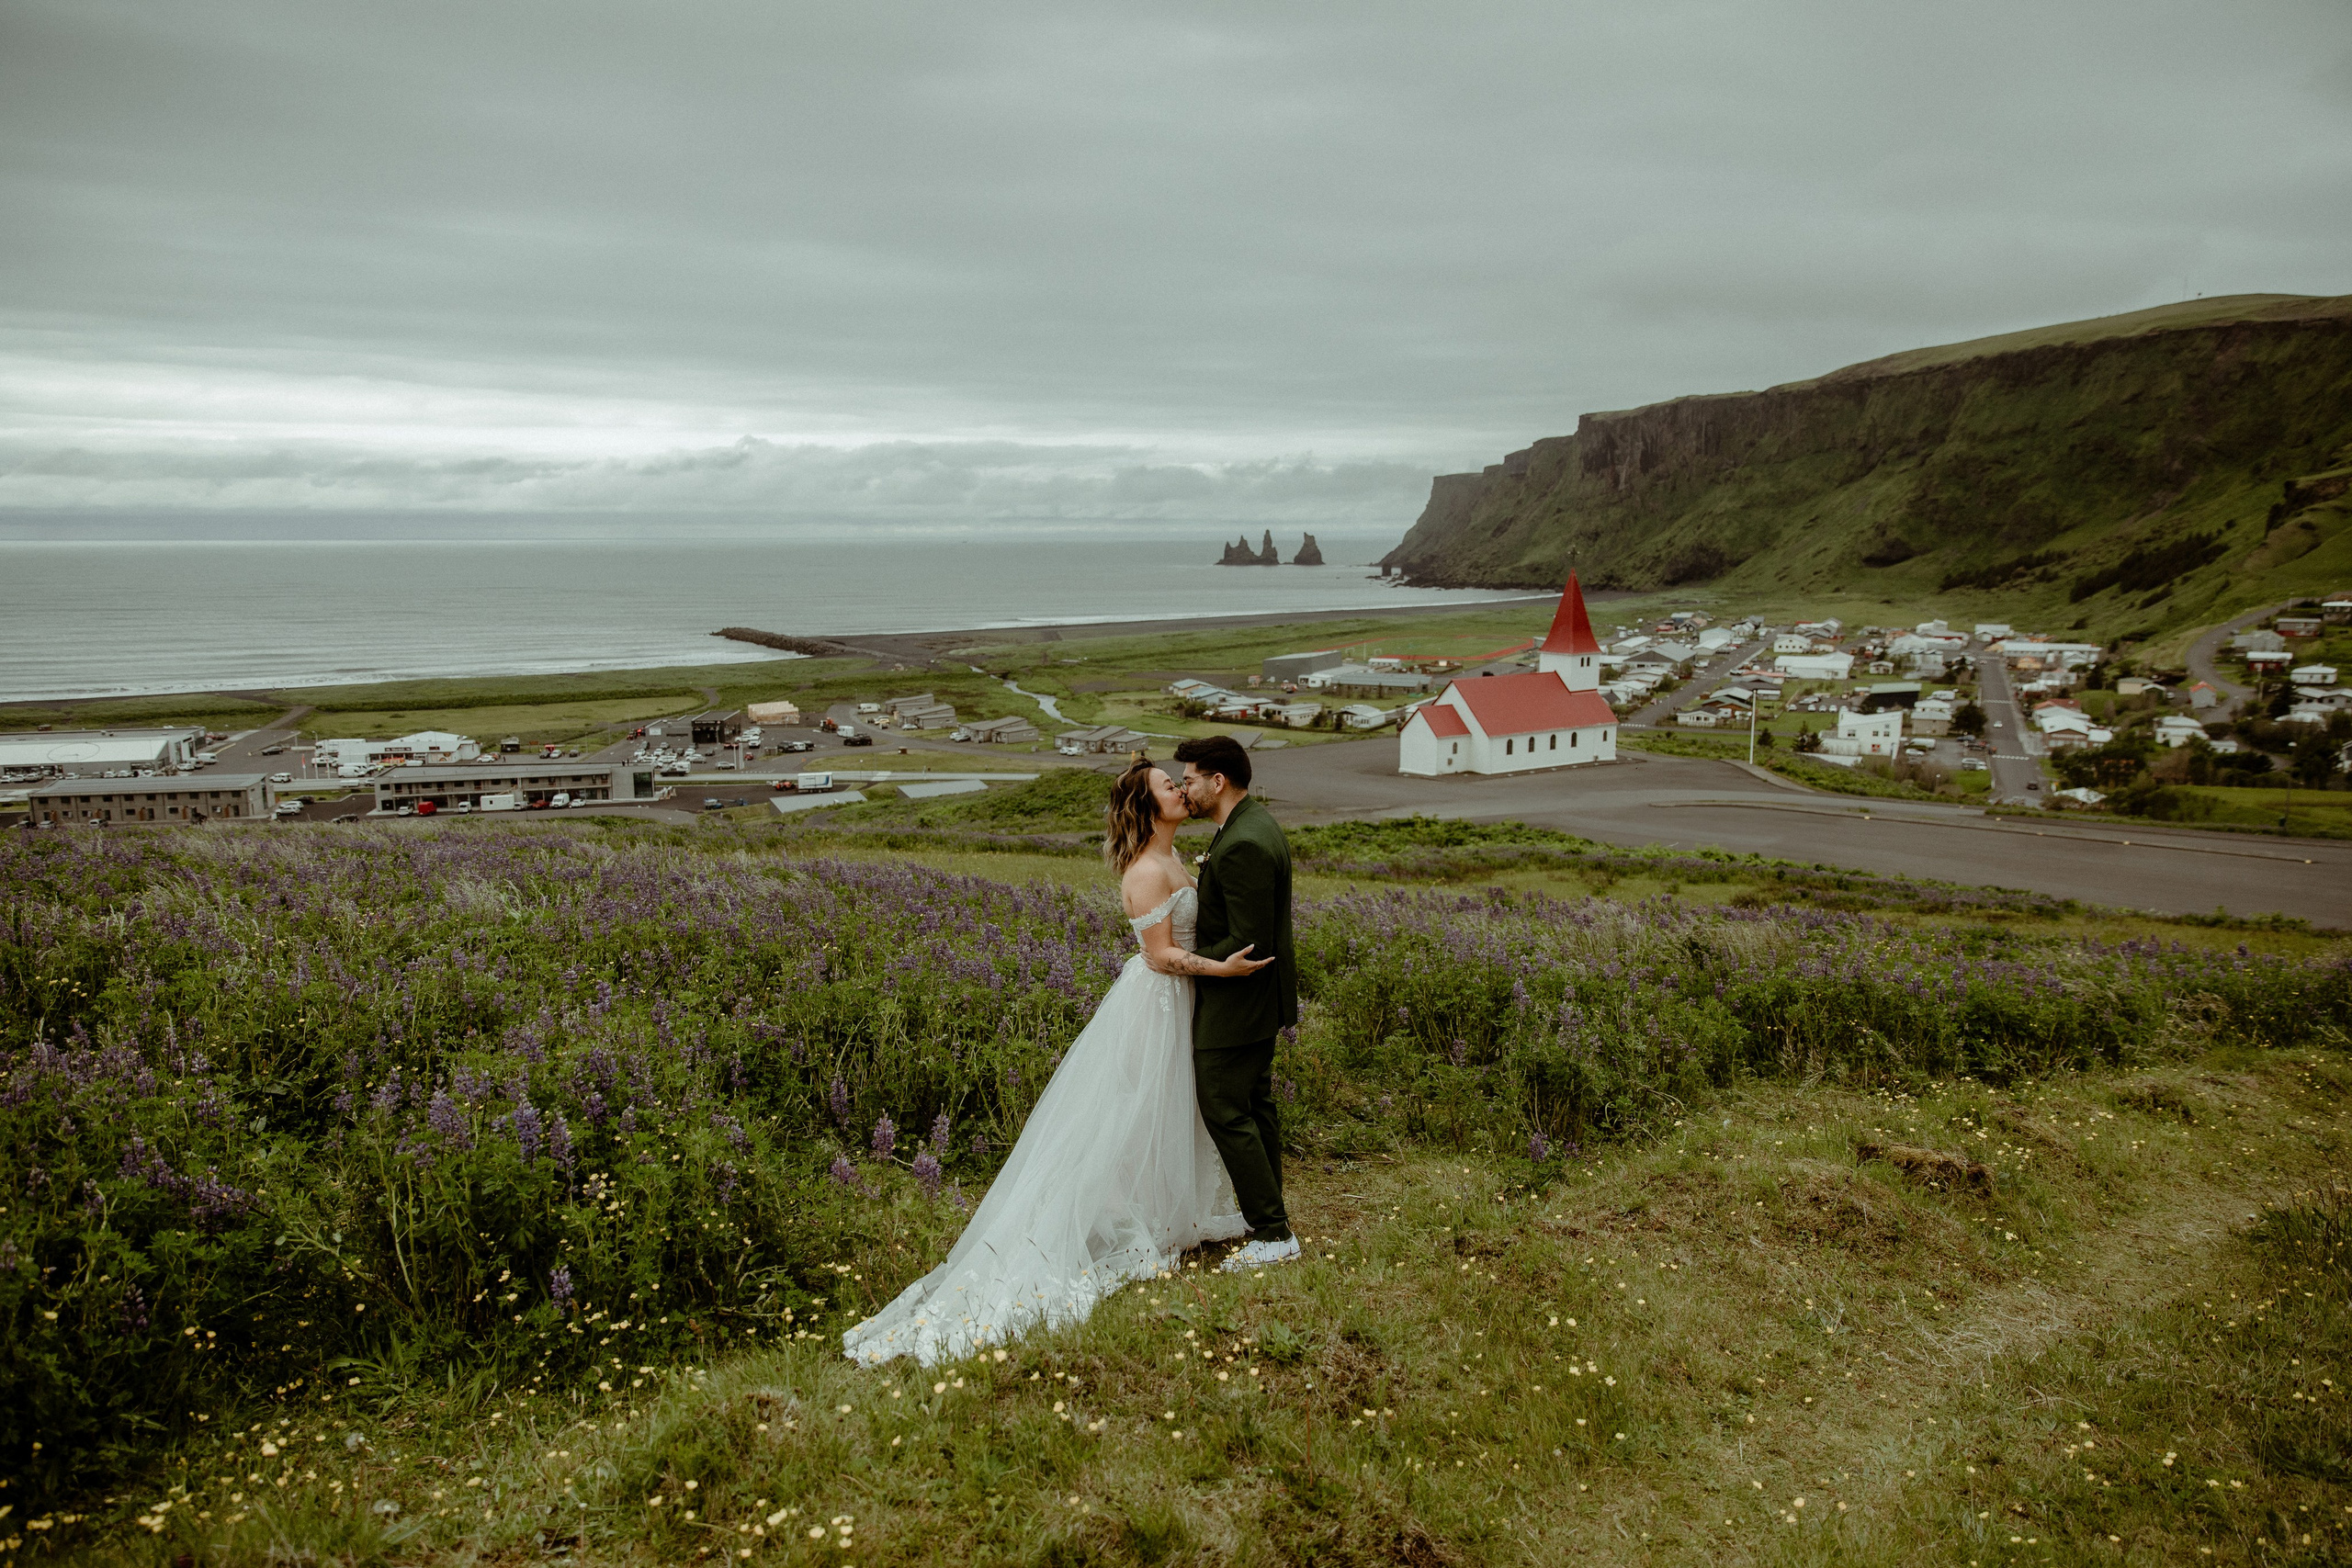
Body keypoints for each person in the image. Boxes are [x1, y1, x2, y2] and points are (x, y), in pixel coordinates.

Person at [841, 760, 1272, 1367]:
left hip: (1187, 1005)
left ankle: (1165, 1211)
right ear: (1145, 807)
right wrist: (1222, 969)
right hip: (1160, 1002)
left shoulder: (1175, 858)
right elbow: (1161, 958)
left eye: (1178, 782)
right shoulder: (1147, 870)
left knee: (1170, 1109)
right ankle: (1112, 1223)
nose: (1179, 788)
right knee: (1131, 1114)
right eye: (1166, 786)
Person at [1160, 735, 1299, 1272]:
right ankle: (1268, 1218)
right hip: (1259, 998)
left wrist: (1181, 956)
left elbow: (1250, 941)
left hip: (1239, 998)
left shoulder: (1242, 842)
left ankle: (1272, 1231)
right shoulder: (1250, 824)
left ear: (1218, 782)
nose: (1185, 787)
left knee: (1223, 1105)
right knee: (1255, 1103)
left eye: (1190, 778)